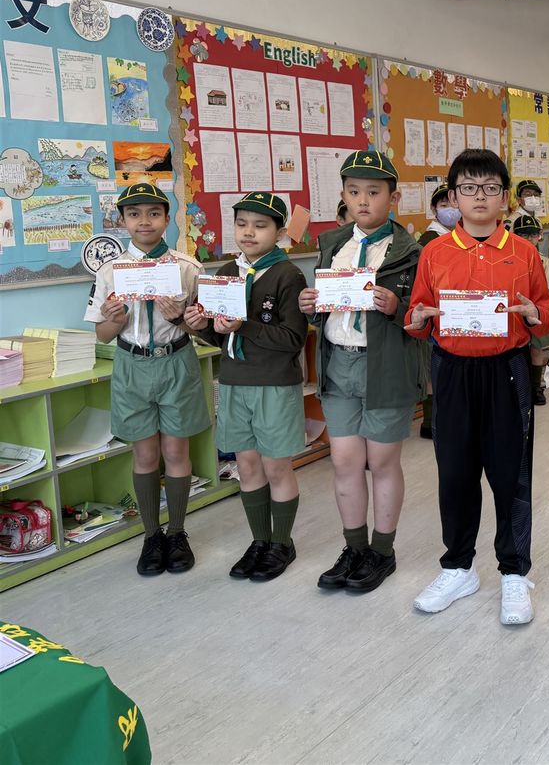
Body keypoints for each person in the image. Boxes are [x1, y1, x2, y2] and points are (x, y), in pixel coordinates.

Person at [406, 149, 549, 625]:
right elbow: (416, 316)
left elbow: (545, 314)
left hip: (506, 370)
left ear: (504, 197)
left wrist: (534, 315)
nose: (479, 197)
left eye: (490, 188)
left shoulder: (524, 252)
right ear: (453, 198)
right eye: (468, 188)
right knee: (455, 472)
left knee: (511, 474)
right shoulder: (435, 252)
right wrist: (417, 318)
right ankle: (458, 567)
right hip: (452, 370)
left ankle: (513, 572)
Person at [298, 150, 423, 594]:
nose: (363, 201)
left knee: (382, 462)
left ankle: (382, 551)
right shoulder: (333, 244)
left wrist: (397, 307)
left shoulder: (412, 252)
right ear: (344, 196)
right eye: (354, 192)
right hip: (339, 363)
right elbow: (327, 308)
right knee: (344, 460)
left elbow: (425, 317)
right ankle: (354, 547)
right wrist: (311, 306)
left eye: (374, 192)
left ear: (394, 197)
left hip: (386, 366)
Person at [83, 182, 208, 575]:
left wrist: (179, 318)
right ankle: (151, 535)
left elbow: (203, 329)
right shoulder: (109, 271)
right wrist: (113, 320)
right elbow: (102, 335)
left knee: (176, 452)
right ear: (122, 221)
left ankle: (177, 532)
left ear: (167, 219)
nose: (144, 222)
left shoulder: (188, 268)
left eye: (154, 213)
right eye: (134, 214)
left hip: (176, 362)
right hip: (132, 365)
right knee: (145, 455)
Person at [184, 192, 307, 581]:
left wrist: (245, 325)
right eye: (241, 224)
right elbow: (218, 337)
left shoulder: (288, 275)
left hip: (273, 385)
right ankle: (259, 540)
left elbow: (293, 339)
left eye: (260, 225)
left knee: (276, 466)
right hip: (235, 381)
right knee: (247, 464)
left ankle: (281, 543)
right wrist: (198, 326)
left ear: (280, 232)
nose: (249, 232)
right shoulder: (224, 272)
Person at [417, 183, 458, 438]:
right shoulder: (430, 240)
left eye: (453, 204)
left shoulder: (460, 236)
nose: (450, 210)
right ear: (434, 209)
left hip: (456, 312)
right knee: (435, 368)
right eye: (444, 205)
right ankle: (430, 421)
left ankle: (442, 418)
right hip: (436, 311)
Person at [513, 213, 549, 406]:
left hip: (537, 310)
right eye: (523, 235)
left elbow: (548, 291)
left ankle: (536, 387)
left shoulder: (543, 261)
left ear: (539, 237)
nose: (529, 239)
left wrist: (540, 310)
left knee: (540, 348)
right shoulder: (509, 258)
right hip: (514, 310)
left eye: (533, 235)